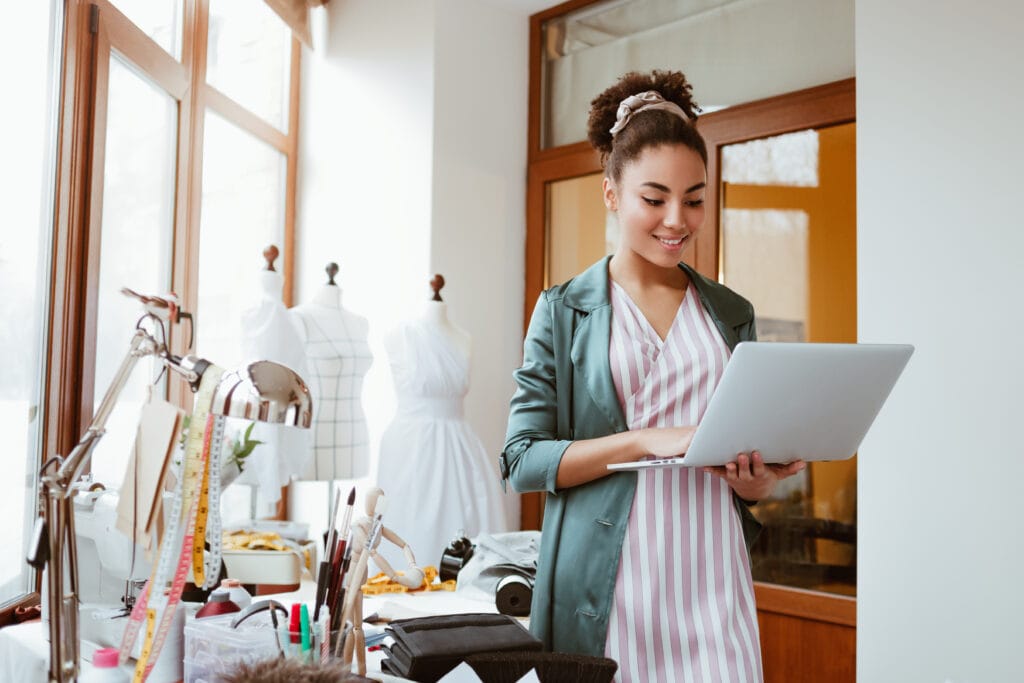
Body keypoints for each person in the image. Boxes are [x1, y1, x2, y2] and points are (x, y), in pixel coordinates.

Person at [501, 70, 805, 682]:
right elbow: (521, 461)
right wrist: (645, 440)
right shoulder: (563, 309)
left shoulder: (730, 312)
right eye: (654, 197)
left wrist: (755, 483)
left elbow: (738, 450)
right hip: (612, 587)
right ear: (612, 193)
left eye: (694, 198)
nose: (678, 220)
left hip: (712, 573)